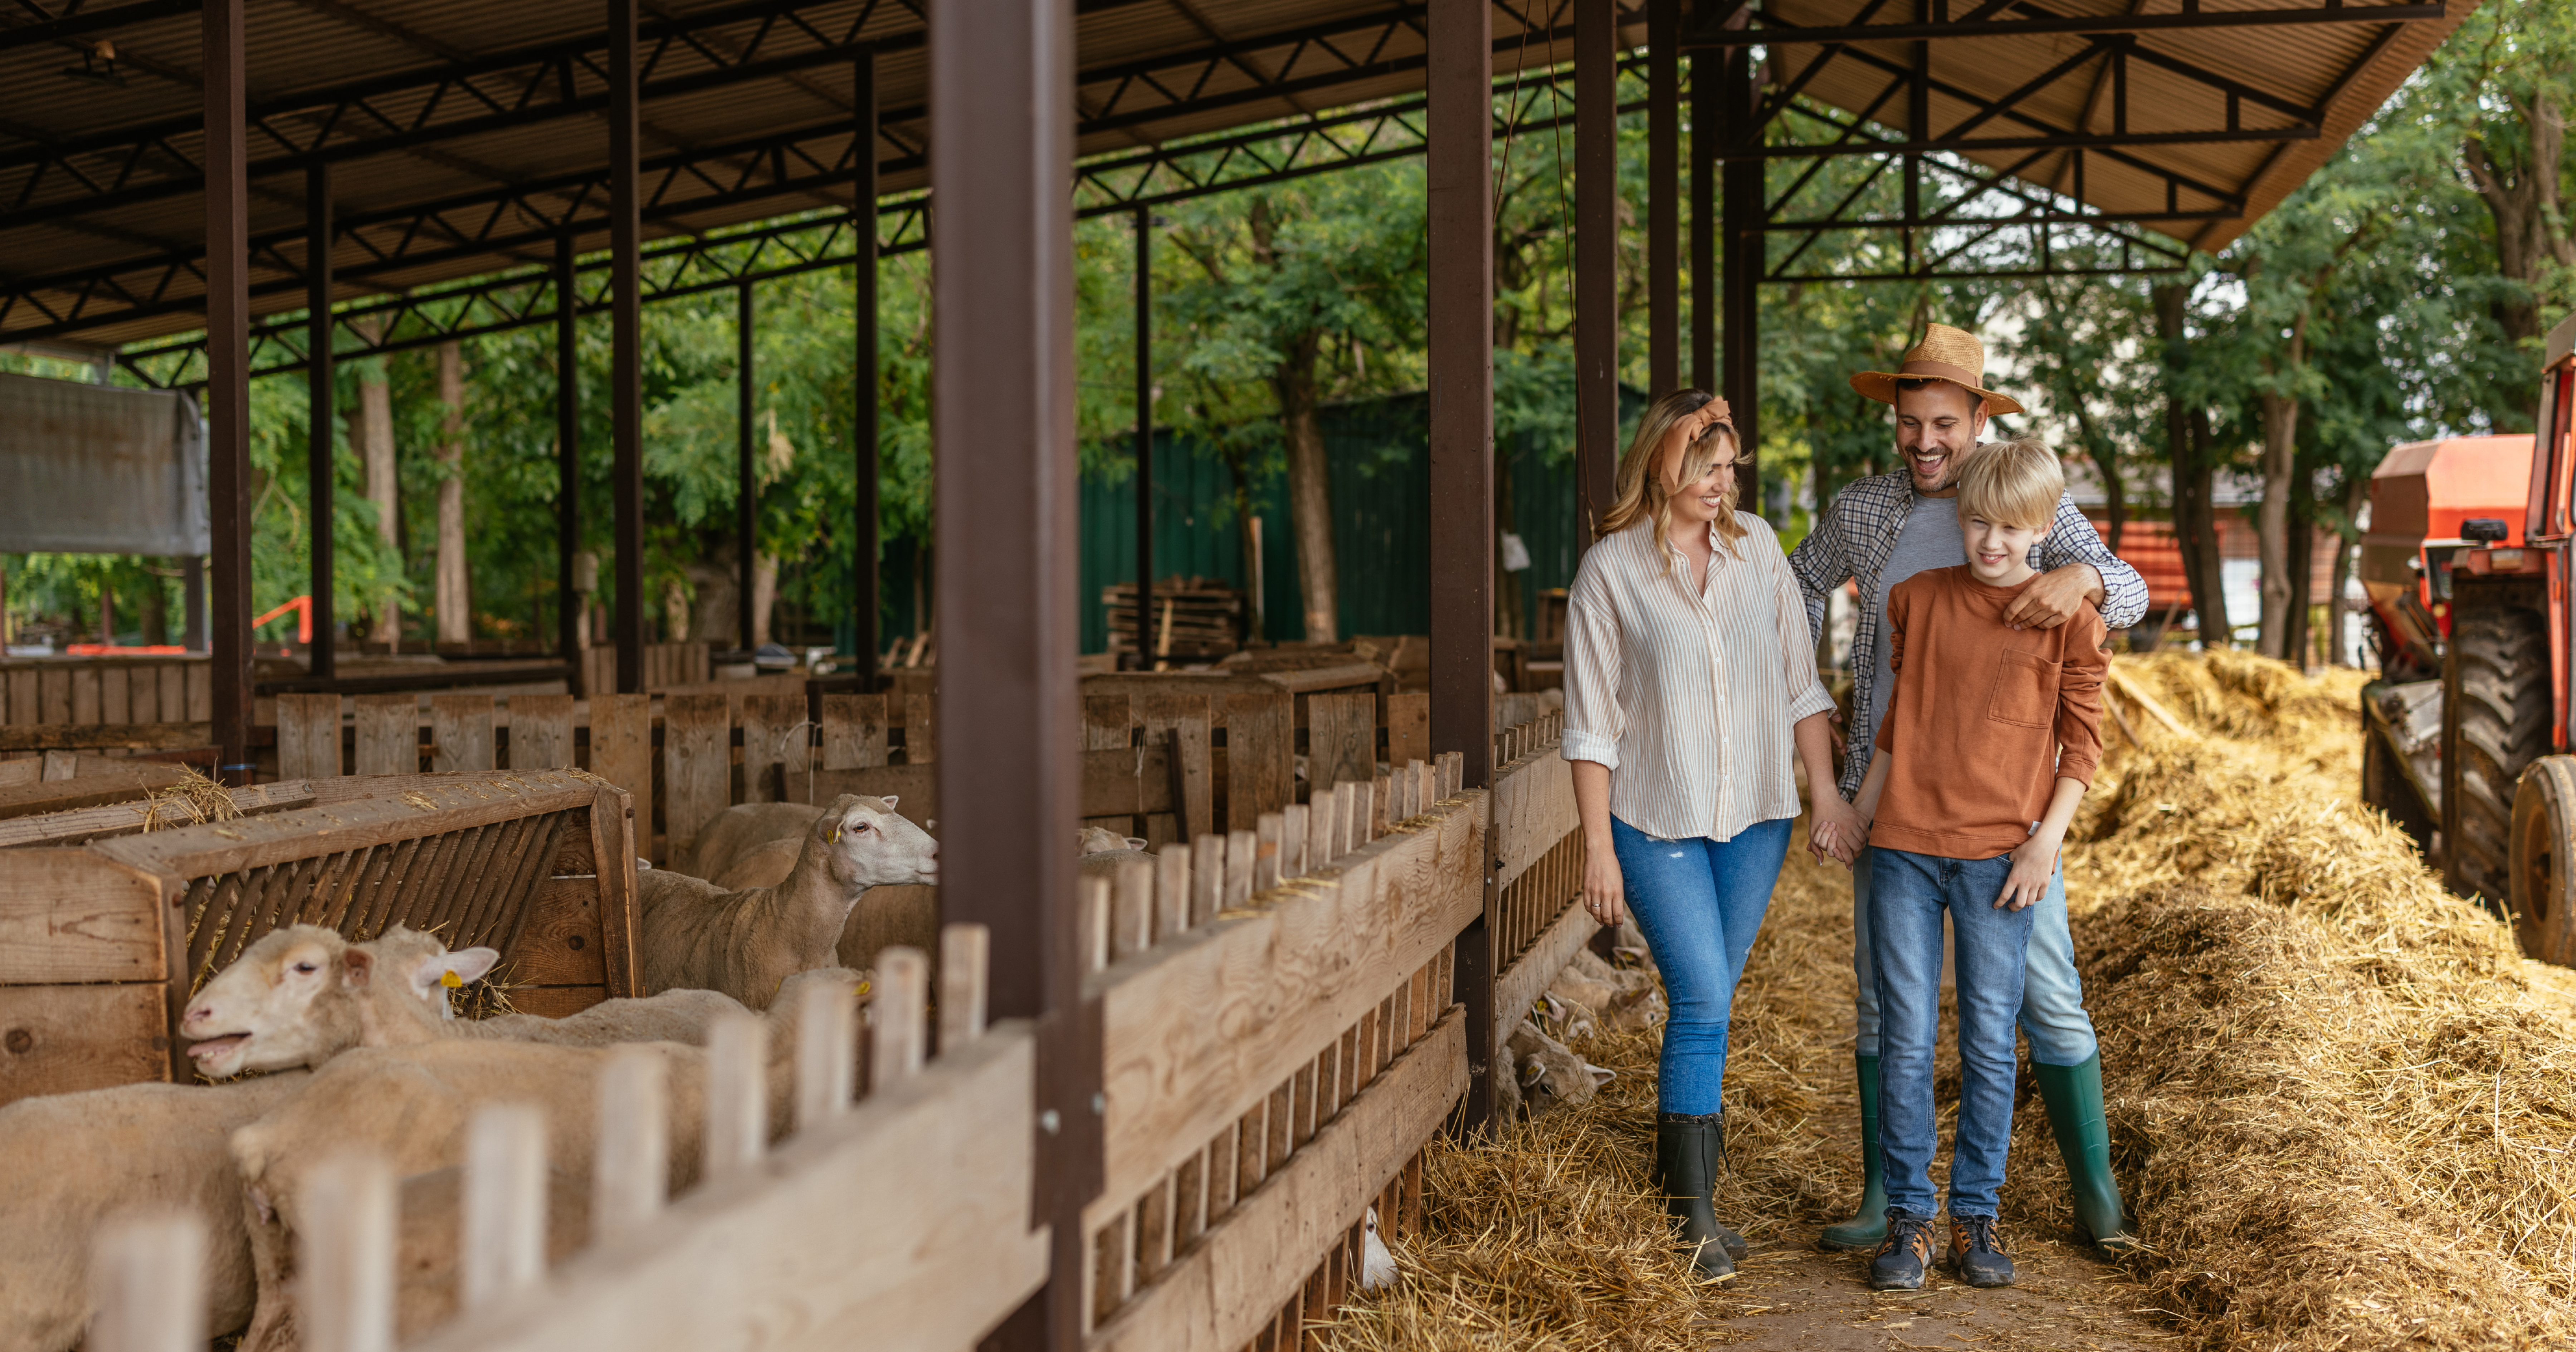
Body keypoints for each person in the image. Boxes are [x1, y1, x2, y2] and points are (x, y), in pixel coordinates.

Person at [1789, 324, 2144, 1255]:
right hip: (1896, 788)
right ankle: (1885, 1194)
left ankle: (2092, 1188)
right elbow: (1795, 587)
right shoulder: (1868, 510)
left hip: (2009, 810)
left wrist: (2082, 578)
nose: (1925, 442)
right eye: (1910, 424)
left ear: (1980, 417)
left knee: (2045, 993)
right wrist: (1808, 706)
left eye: (1944, 421)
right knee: (1886, 1003)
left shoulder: (2014, 495)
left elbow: (2130, 588)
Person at [1562, 390, 1863, 1278]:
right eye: (1705, 466)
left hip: (1757, 818)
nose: (1721, 484)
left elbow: (1798, 684)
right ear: (1661, 464)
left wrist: (1826, 798)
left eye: (1730, 468)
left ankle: (1693, 1198)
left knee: (1713, 1002)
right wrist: (1597, 848)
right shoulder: (1610, 572)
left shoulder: (1758, 548)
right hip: (1654, 818)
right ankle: (1690, 1215)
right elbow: (1589, 726)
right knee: (1700, 997)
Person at [1840, 437, 2109, 1290]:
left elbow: (2084, 747)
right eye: (1977, 522)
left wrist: (2045, 842)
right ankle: (1911, 1220)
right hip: (1907, 851)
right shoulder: (1917, 599)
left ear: (2043, 530)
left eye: (2011, 528)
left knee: (1993, 1042)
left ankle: (1976, 1215)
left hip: (2003, 858)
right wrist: (1861, 808)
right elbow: (1896, 722)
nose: (1991, 542)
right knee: (1909, 1038)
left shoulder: (2069, 614)